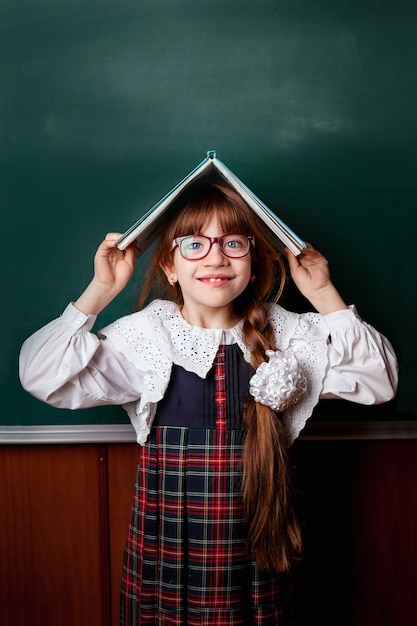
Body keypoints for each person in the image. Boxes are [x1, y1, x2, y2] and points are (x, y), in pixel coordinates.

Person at [19, 180, 398, 625]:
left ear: (253, 263)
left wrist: (323, 295)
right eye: (195, 244)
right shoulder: (149, 337)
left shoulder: (290, 335)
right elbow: (40, 374)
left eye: (233, 243)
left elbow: (380, 380)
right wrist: (101, 291)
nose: (216, 258)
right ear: (170, 266)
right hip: (170, 543)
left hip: (259, 538)